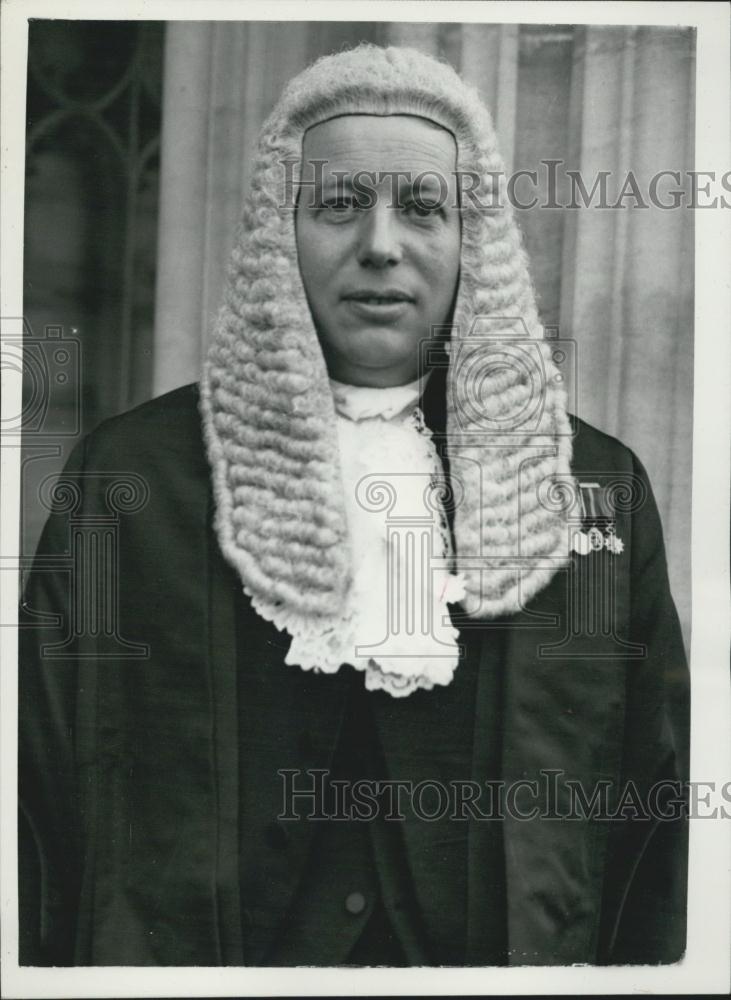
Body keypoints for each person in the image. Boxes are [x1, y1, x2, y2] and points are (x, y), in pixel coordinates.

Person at [18, 44, 689, 967]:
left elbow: (652, 839)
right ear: (275, 232)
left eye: (423, 207)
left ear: (474, 243)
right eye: (338, 204)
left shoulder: (593, 489)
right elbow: (38, 815)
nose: (381, 244)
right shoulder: (126, 482)